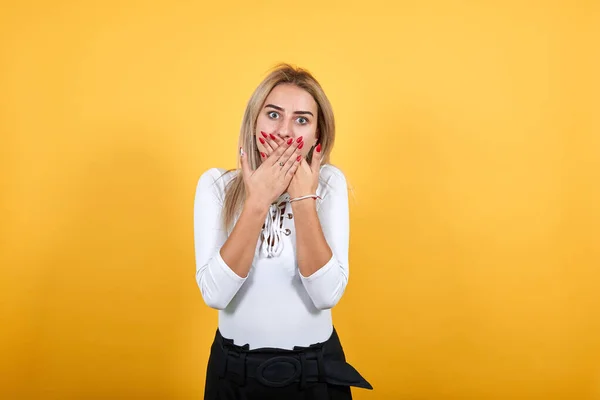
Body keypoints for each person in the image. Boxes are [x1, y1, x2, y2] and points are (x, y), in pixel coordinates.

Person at [193, 63, 372, 400]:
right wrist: (257, 202)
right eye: (273, 115)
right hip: (233, 377)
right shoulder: (216, 185)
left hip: (315, 375)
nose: (285, 131)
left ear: (317, 136)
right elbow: (215, 295)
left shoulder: (330, 184)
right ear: (254, 120)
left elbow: (326, 295)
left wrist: (304, 198)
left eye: (301, 120)